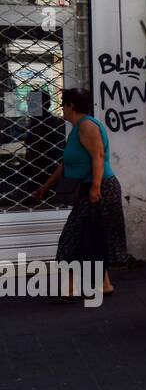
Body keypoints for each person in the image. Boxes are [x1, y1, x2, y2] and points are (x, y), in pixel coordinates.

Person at [31, 88, 127, 297]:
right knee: (91, 237)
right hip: (91, 188)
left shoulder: (87, 126)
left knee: (72, 237)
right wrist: (45, 187)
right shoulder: (77, 128)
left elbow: (98, 156)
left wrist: (94, 187)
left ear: (71, 106)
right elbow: (65, 164)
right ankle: (104, 285)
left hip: (100, 189)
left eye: (63, 103)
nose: (61, 108)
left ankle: (71, 288)